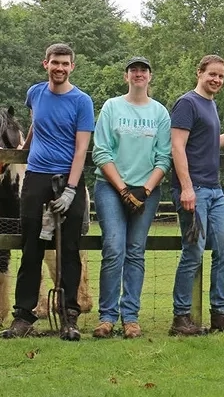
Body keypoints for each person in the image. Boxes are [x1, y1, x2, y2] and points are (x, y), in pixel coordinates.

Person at [2, 43, 94, 341]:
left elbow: (81, 149)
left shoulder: (82, 102)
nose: (60, 68)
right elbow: (35, 126)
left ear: (72, 67)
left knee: (69, 249)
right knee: (31, 246)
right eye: (55, 63)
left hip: (69, 176)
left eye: (65, 64)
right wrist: (22, 152)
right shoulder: (35, 93)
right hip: (36, 177)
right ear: (46, 64)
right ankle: (23, 316)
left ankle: (69, 315)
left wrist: (71, 190)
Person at [168, 55, 224, 336]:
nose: (216, 80)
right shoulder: (187, 103)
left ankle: (220, 314)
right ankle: (181, 318)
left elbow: (210, 144)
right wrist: (187, 187)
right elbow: (177, 147)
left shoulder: (211, 105)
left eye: (221, 77)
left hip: (214, 191)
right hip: (194, 190)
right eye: (212, 74)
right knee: (193, 252)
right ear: (199, 73)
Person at [91, 57, 171, 338]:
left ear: (150, 77)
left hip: (146, 191)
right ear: (126, 76)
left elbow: (164, 157)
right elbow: (101, 151)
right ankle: (106, 317)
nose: (139, 74)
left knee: (135, 251)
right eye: (134, 70)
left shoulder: (160, 112)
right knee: (114, 248)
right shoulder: (112, 107)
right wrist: (123, 189)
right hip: (111, 188)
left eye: (144, 70)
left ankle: (131, 317)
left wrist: (145, 190)